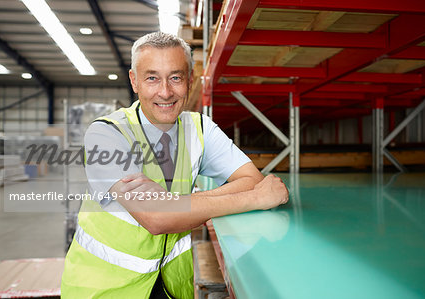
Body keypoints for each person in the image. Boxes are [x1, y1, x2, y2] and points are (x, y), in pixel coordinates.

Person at [61, 32, 288, 299]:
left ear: (190, 81)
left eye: (176, 78)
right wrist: (253, 199)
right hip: (104, 289)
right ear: (134, 80)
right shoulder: (106, 135)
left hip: (170, 286)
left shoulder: (200, 128)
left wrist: (179, 204)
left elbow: (251, 179)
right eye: (152, 78)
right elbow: (157, 218)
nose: (165, 92)